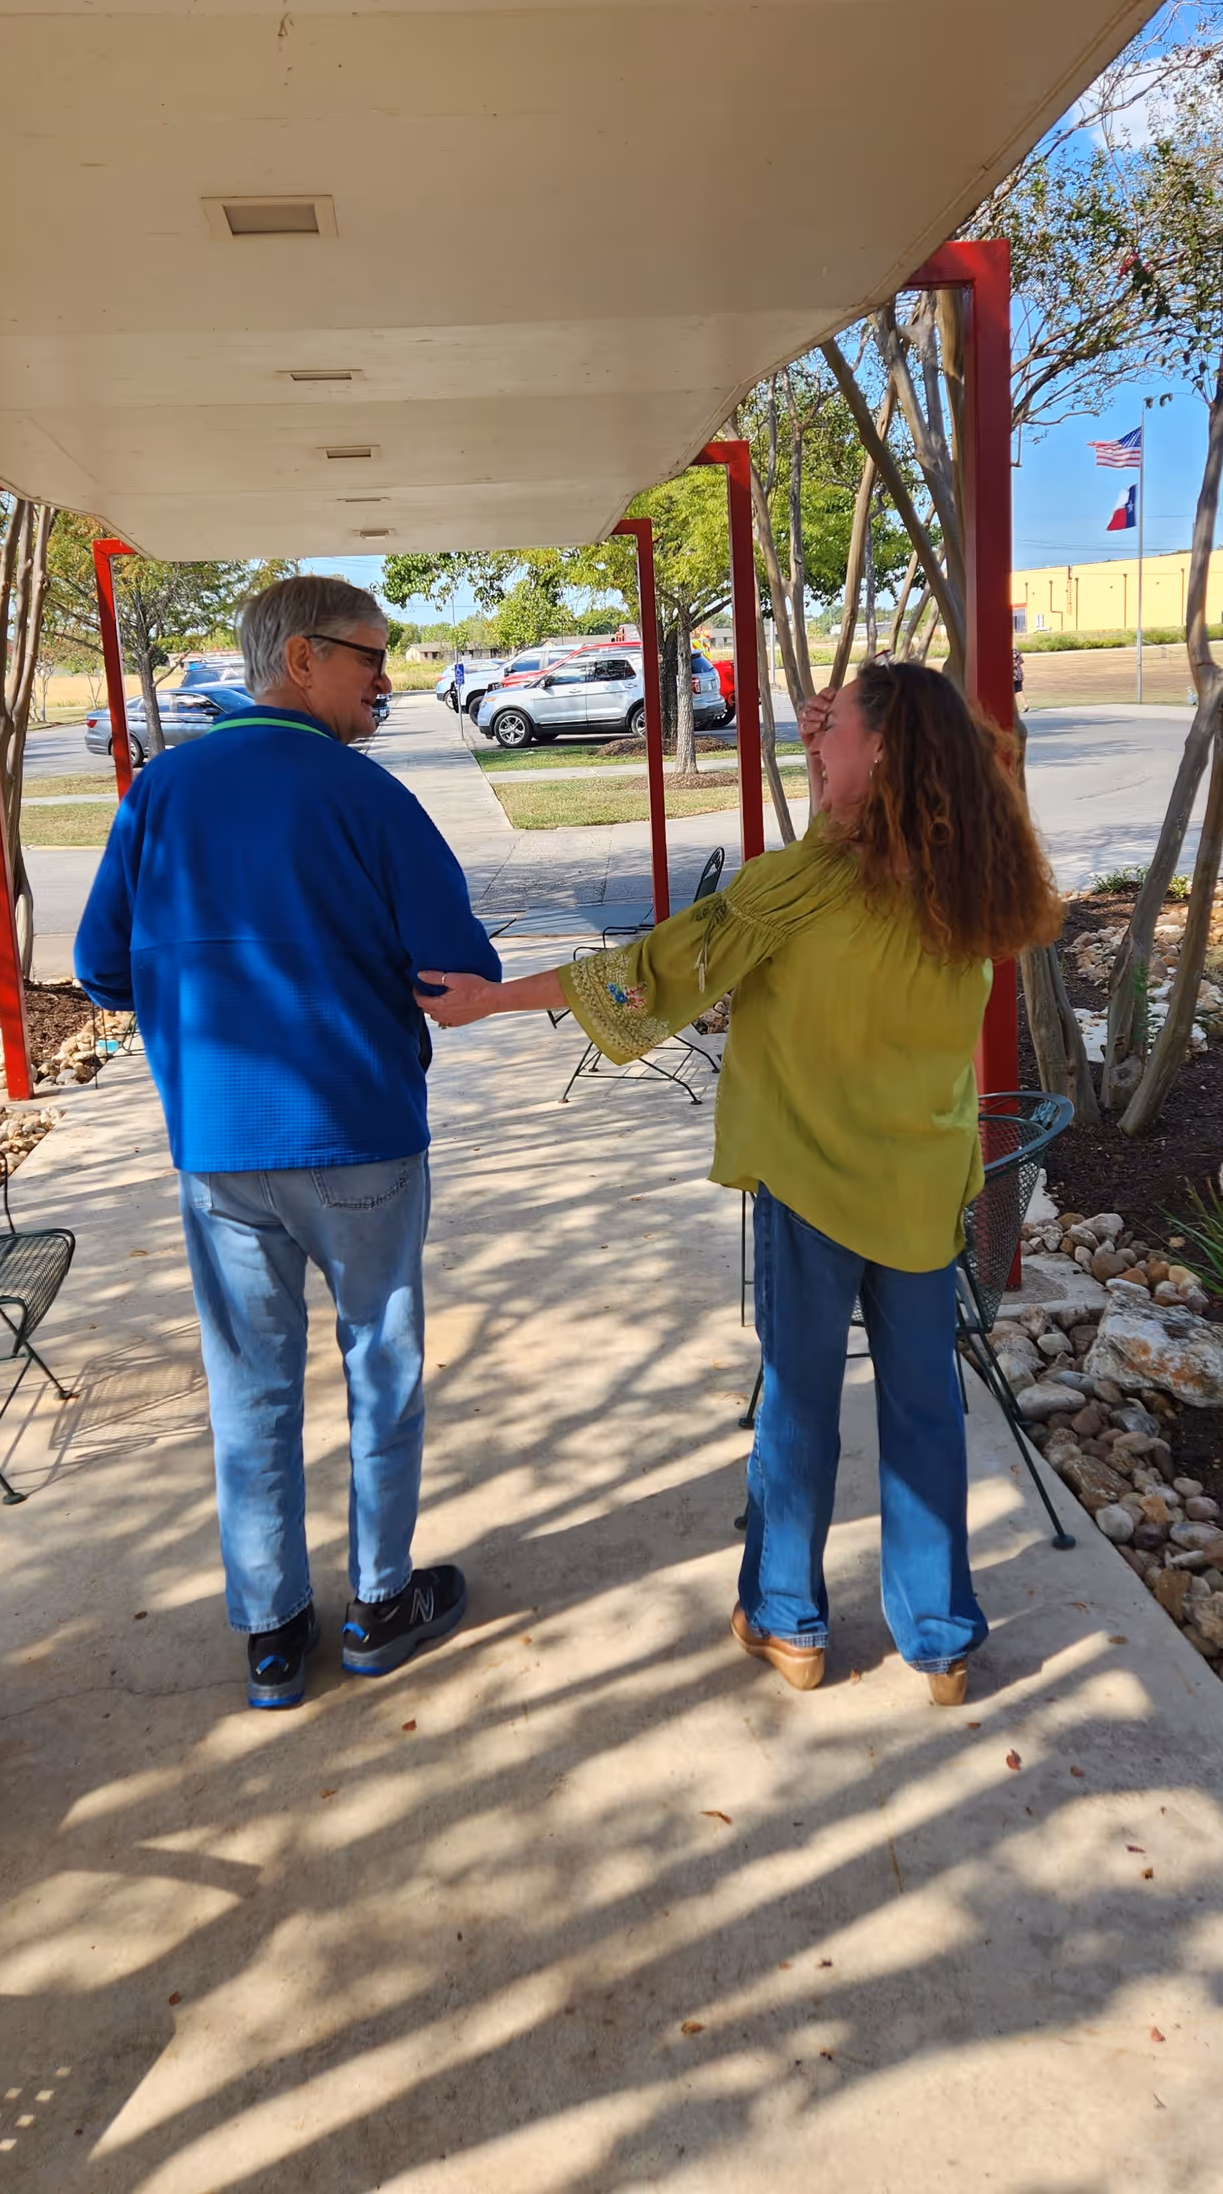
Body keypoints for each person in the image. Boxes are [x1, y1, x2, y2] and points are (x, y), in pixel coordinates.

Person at [418, 661, 1059, 1703]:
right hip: (923, 1183)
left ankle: (791, 1622)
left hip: (811, 1185)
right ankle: (939, 1639)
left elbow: (654, 973)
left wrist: (493, 999)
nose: (816, 738)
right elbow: (850, 863)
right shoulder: (973, 880)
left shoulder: (792, 894)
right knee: (925, 1405)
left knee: (800, 1406)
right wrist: (834, 758)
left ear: (885, 754)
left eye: (834, 729)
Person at [74, 575, 501, 1712]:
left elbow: (100, 967)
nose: (386, 679)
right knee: (381, 1369)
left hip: (219, 1147)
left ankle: (271, 1633)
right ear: (300, 659)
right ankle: (378, 1604)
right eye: (371, 656)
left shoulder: (158, 790)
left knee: (251, 1389)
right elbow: (458, 974)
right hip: (358, 1134)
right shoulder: (369, 798)